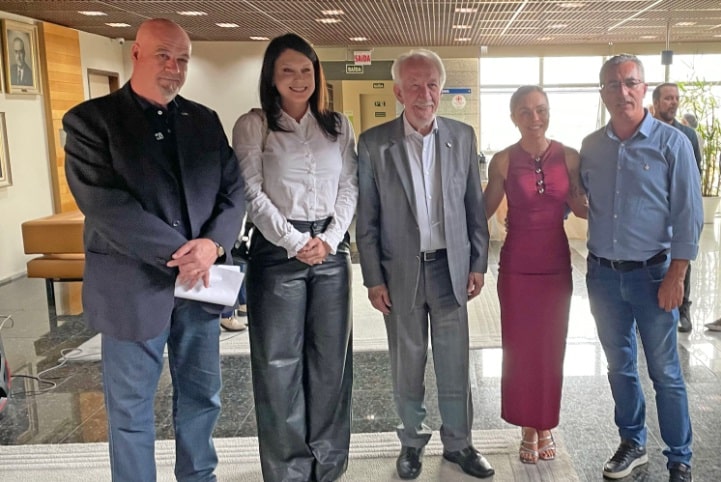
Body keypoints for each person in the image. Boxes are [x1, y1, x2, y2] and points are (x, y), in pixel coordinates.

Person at [63, 18, 245, 481]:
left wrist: (213, 245)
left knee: (203, 398)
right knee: (130, 410)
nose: (174, 67)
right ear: (136, 53)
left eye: (182, 59)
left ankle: (199, 476)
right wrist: (186, 253)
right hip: (131, 288)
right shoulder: (91, 122)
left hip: (200, 286)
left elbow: (232, 191)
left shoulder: (202, 120)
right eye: (164, 55)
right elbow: (106, 206)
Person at [356, 49, 493, 480]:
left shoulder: (462, 136)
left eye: (432, 84)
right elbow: (367, 218)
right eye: (414, 85)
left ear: (441, 88)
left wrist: (478, 261)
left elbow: (473, 205)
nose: (425, 94)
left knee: (455, 364)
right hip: (400, 273)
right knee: (407, 365)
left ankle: (459, 443)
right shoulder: (374, 143)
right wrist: (373, 278)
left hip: (451, 268)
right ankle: (411, 443)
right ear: (398, 92)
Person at [232, 33, 358, 482]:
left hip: (330, 251)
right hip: (276, 252)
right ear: (272, 75)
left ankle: (328, 465)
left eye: (306, 70)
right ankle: (288, 470)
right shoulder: (255, 125)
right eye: (287, 70)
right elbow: (250, 191)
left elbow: (350, 186)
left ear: (317, 75)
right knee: (277, 364)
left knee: (331, 363)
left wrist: (329, 239)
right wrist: (292, 240)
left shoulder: (338, 125)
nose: (298, 78)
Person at [580, 54, 701, 482]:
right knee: (619, 366)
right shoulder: (591, 147)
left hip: (654, 276)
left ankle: (679, 457)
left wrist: (676, 276)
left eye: (630, 82)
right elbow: (581, 200)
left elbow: (689, 215)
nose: (623, 91)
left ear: (643, 88)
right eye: (613, 85)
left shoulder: (672, 144)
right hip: (603, 276)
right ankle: (632, 442)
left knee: (665, 371)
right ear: (603, 93)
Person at [483, 86, 587, 465]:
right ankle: (528, 426)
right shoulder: (503, 161)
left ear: (549, 112)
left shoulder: (570, 156)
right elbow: (481, 212)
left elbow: (581, 207)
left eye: (540, 109)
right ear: (513, 117)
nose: (534, 118)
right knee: (520, 348)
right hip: (516, 268)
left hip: (556, 266)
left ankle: (546, 424)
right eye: (525, 112)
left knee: (551, 347)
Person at [653, 83, 703, 333]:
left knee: (682, 258)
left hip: (679, 209)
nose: (673, 102)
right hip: (656, 212)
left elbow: (695, 172)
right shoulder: (647, 133)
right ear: (656, 103)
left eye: (676, 98)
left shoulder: (688, 135)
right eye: (667, 98)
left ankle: (683, 310)